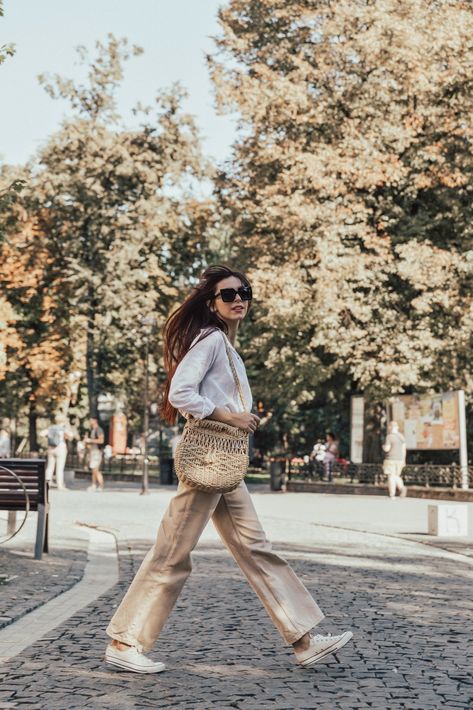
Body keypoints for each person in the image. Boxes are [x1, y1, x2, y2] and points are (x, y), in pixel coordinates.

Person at [104, 264, 353, 674]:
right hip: (206, 462)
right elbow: (181, 392)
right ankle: (124, 640)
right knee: (172, 553)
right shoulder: (211, 339)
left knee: (256, 548)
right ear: (212, 303)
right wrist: (229, 416)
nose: (239, 299)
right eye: (228, 294)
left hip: (225, 465)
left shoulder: (227, 347)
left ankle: (304, 640)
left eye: (244, 292)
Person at [41, 413, 71, 490]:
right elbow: (71, 435)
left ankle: (47, 483)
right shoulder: (62, 428)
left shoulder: (51, 428)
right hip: (60, 448)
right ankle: (60, 485)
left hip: (51, 448)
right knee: (59, 468)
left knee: (50, 467)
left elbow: (42, 433)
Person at [383, 421, 407, 499]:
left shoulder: (389, 437)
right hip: (400, 459)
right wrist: (404, 460)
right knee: (396, 475)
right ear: (397, 427)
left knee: (391, 476)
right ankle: (402, 488)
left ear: (390, 427)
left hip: (390, 459)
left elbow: (387, 449)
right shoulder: (401, 437)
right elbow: (404, 449)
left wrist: (383, 447)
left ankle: (392, 493)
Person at [84, 416, 105, 491]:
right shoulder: (92, 430)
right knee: (94, 469)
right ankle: (94, 485)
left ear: (95, 420)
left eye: (91, 420)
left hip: (97, 452)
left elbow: (101, 441)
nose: (90, 422)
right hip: (93, 451)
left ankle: (100, 486)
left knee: (96, 469)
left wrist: (90, 440)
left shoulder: (99, 430)